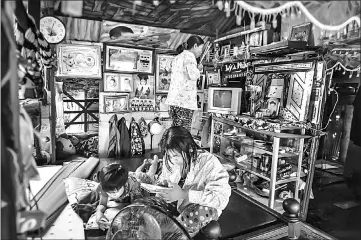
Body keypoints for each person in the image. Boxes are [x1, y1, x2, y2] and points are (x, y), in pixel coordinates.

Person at [153, 126, 231, 237]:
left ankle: (174, 231)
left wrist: (184, 194)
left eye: (176, 156)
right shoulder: (169, 158)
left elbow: (221, 199)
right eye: (169, 156)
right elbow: (164, 178)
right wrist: (161, 187)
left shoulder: (209, 162)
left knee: (204, 211)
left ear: (189, 148)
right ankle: (166, 228)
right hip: (178, 206)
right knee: (151, 204)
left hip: (198, 209)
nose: (172, 160)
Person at [165, 35, 205, 131]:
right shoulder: (190, 57)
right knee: (183, 133)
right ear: (195, 46)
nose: (201, 51)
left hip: (173, 101)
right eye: (201, 48)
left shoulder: (178, 57)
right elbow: (193, 75)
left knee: (175, 131)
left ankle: (174, 146)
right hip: (184, 102)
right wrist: (198, 69)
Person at [95, 163, 143, 230]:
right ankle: (143, 164)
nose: (112, 195)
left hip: (140, 179)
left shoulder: (133, 185)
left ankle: (153, 162)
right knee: (137, 171)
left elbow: (137, 206)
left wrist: (126, 218)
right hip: (124, 177)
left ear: (124, 184)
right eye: (109, 193)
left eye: (115, 192)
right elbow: (102, 204)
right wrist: (99, 213)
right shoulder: (106, 186)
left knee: (149, 174)